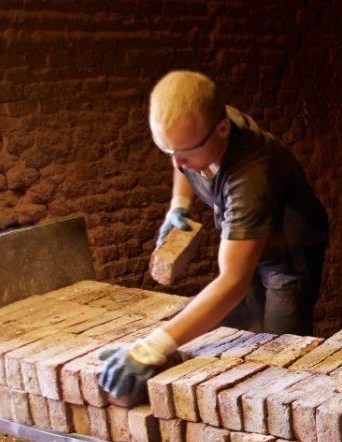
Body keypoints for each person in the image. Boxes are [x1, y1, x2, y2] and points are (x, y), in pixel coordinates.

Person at [99, 70, 329, 401]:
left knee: (280, 350)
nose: (177, 163)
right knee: (247, 324)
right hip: (245, 237)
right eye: (168, 150)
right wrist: (179, 206)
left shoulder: (251, 175)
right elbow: (180, 156)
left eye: (186, 153)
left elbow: (233, 282)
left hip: (288, 251)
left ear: (222, 130)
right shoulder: (198, 129)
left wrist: (151, 348)